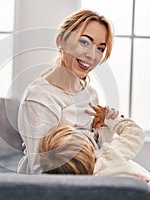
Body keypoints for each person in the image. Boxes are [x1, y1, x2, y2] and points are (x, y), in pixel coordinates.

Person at [17, 9, 114, 173]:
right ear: (60, 41)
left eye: (100, 48)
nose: (92, 55)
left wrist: (105, 128)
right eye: (84, 42)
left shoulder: (90, 94)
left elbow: (100, 151)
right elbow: (41, 170)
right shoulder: (39, 98)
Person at [38, 105, 150, 200]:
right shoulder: (110, 156)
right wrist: (112, 120)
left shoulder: (85, 190)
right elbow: (134, 134)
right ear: (91, 149)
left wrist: (101, 129)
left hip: (143, 194)